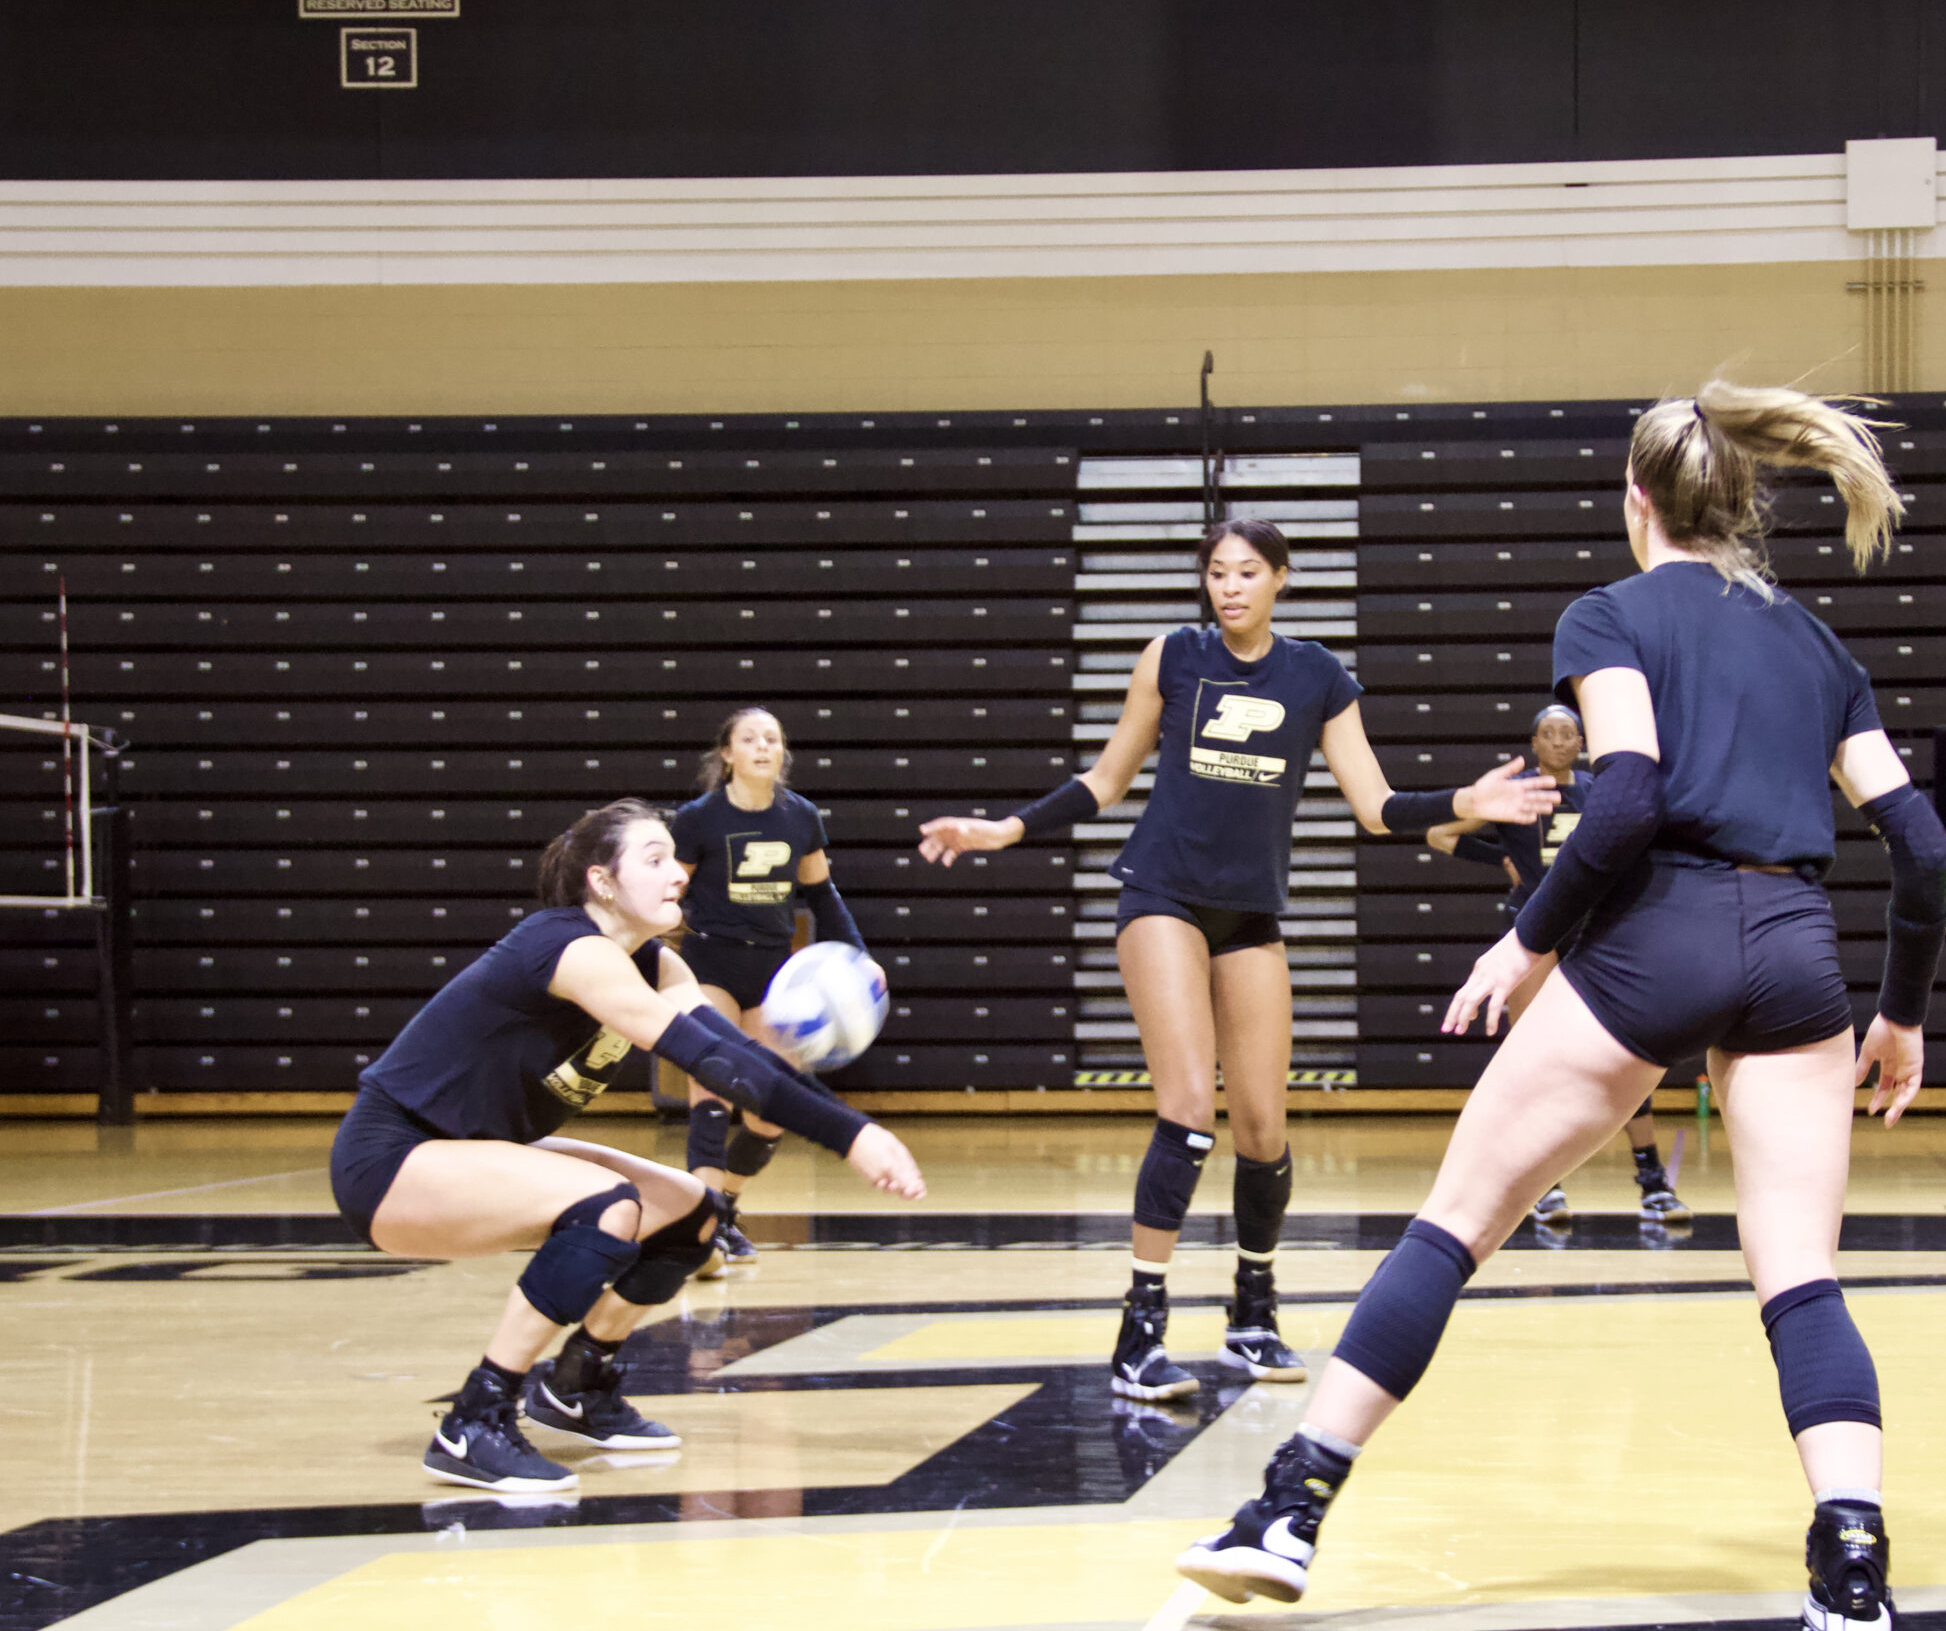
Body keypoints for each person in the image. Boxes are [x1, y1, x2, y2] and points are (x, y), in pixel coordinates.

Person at [1173, 382, 1946, 1631]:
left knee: (1454, 1222)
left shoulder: (1614, 613)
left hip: (1662, 932)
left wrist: (1528, 940)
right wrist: (1904, 1012)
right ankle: (1856, 1570)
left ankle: (1291, 1507)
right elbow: (1921, 848)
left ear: (1637, 499)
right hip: (1801, 952)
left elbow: (1631, 794)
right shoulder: (1818, 645)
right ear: (1741, 499)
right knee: (1800, 1276)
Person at [919, 518, 1556, 1402]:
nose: (1229, 587)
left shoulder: (1318, 678)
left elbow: (1375, 807)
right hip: (1162, 898)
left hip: (1249, 915)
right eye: (1216, 572)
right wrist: (1007, 828)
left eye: (1247, 572)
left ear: (1282, 580)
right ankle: (1139, 1331)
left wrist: (1469, 802)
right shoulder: (1172, 656)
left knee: (1264, 1128)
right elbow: (1106, 782)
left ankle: (1252, 1314)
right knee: (1188, 1113)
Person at [329, 798, 924, 1494]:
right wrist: (852, 1136)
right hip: (392, 1161)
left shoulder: (659, 966)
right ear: (602, 882)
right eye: (654, 859)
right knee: (607, 1206)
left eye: (675, 857)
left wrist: (855, 1128)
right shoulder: (572, 949)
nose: (678, 873)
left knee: (694, 1213)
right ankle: (475, 1421)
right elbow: (710, 1063)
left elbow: (749, 1062)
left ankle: (579, 1383)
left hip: (469, 1156)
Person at [1429, 703, 1689, 1225]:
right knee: (1533, 1059)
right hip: (1533, 932)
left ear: (1580, 743)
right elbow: (1439, 833)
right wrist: (1498, 859)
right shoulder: (1519, 791)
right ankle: (1545, 1188)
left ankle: (1652, 1181)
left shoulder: (1597, 791)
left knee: (1623, 1056)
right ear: (1534, 742)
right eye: (1548, 733)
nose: (1558, 741)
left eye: (1568, 734)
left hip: (1593, 928)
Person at [667, 707, 869, 1274]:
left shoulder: (800, 816)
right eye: (749, 739)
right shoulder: (698, 819)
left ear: (783, 753)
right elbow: (667, 893)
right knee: (711, 1092)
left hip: (772, 973)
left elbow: (823, 898)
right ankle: (696, 1230)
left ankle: (725, 1207)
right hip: (708, 964)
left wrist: (860, 960)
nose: (763, 747)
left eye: (772, 739)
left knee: (768, 1115)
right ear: (726, 753)